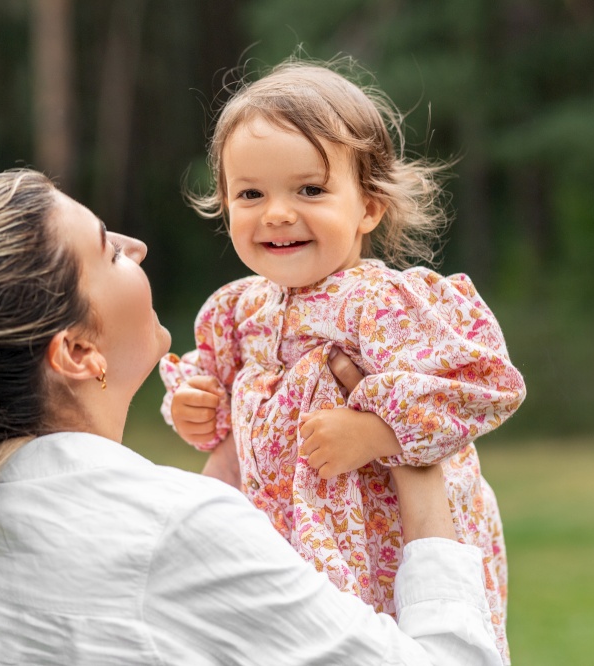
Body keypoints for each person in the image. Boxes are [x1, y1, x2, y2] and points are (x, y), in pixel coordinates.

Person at [0, 169, 504, 665]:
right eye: (108, 251)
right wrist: (418, 454)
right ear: (76, 350)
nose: (139, 247)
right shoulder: (170, 532)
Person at [160, 60, 526, 663]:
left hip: (383, 539)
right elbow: (216, 390)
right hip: (284, 539)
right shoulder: (237, 310)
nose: (276, 212)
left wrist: (377, 429)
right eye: (250, 194)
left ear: (369, 208)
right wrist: (194, 408)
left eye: (309, 190)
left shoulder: (382, 304)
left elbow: (483, 383)